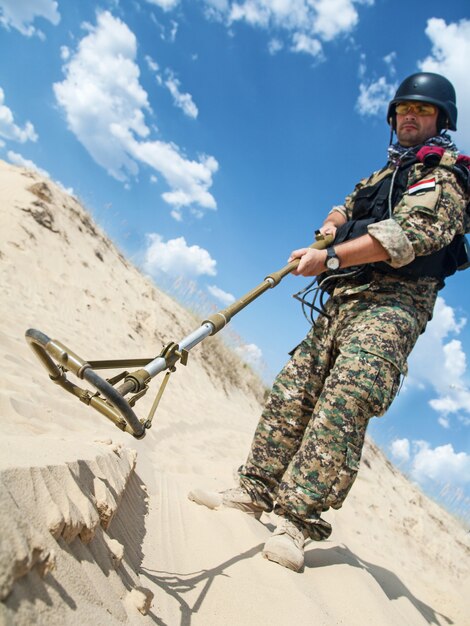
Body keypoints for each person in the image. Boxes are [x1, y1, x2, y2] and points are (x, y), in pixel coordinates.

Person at [189, 72, 470, 572]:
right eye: (403, 108)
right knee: (293, 390)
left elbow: (409, 236)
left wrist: (332, 258)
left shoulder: (443, 177)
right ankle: (253, 489)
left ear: (440, 121)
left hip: (391, 306)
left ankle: (296, 521)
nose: (409, 115)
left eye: (421, 111)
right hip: (345, 301)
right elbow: (345, 204)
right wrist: (330, 228)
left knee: (344, 402)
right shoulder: (384, 175)